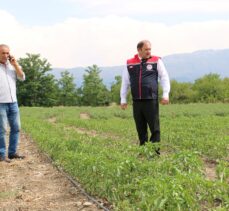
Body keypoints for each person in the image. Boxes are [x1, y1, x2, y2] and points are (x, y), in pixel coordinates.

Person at [120, 40, 170, 154]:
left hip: (151, 99)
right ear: (139, 50)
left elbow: (164, 77)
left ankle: (154, 153)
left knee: (154, 128)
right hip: (136, 101)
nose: (149, 52)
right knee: (140, 128)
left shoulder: (156, 60)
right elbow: (125, 82)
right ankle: (143, 152)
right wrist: (123, 99)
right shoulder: (129, 63)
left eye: (150, 49)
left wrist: (165, 94)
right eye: (146, 49)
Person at [0, 44, 26, 162]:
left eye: (7, 53)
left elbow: (22, 77)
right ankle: (1, 154)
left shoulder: (13, 66)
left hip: (13, 103)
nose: (5, 55)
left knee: (16, 128)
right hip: (1, 103)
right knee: (2, 130)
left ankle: (12, 152)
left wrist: (15, 64)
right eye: (3, 53)